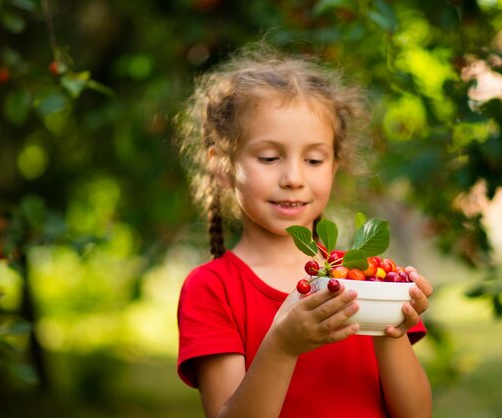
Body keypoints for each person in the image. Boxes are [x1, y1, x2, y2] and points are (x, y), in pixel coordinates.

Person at [175, 42, 434, 418]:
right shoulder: (213, 289)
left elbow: (416, 414)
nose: (293, 178)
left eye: (313, 159)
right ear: (222, 166)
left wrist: (390, 324)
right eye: (269, 157)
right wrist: (282, 345)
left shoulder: (366, 276)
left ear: (334, 165)